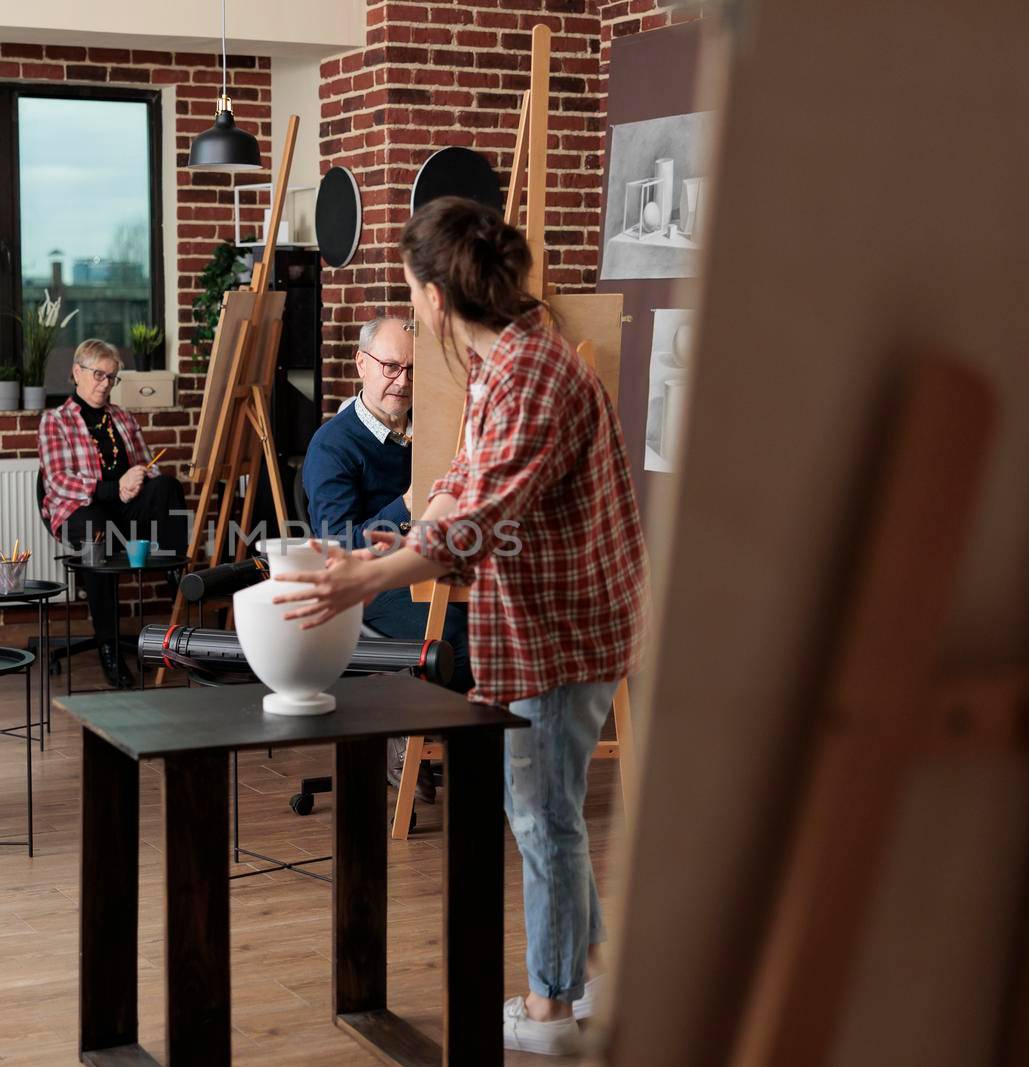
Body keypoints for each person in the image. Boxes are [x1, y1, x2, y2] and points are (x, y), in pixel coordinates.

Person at [272, 196, 648, 1057]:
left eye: (412, 294)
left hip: (564, 626)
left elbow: (479, 518)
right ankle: (585, 973)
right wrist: (399, 541)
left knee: (541, 811)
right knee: (548, 808)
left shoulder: (531, 373)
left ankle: (552, 1011)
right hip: (562, 618)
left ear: (437, 298)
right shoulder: (507, 362)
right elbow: (462, 487)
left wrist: (371, 573)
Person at [301, 314, 473, 801]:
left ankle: (464, 751)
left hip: (437, 570)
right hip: (369, 586)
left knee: (504, 624)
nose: (403, 381)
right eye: (391, 366)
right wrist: (407, 505)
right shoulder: (332, 445)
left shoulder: (437, 433)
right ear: (361, 364)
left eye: (414, 370)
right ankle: (405, 730)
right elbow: (336, 547)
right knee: (455, 641)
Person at [39, 338, 187, 688]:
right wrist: (112, 488)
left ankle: (176, 577)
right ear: (77, 372)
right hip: (81, 510)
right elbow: (59, 481)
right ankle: (108, 646)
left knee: (166, 485)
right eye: (98, 375)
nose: (105, 384)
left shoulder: (122, 417)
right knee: (96, 529)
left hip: (125, 508)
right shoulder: (54, 421)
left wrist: (139, 477)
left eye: (111, 378)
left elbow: (144, 465)